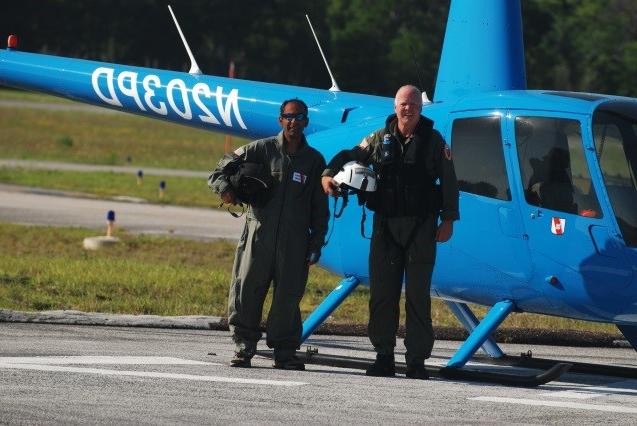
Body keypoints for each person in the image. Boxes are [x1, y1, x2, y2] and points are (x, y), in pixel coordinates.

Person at [321, 85, 459, 379]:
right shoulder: (379, 138)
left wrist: (448, 219)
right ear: (395, 107)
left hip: (421, 226)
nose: (407, 109)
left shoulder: (434, 141)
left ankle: (416, 361)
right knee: (383, 294)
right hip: (385, 225)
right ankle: (383, 356)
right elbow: (352, 153)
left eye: (412, 104)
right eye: (402, 104)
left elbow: (449, 180)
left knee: (418, 296)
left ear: (420, 108)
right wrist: (328, 173)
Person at [209, 99, 329, 370]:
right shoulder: (260, 149)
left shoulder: (313, 161)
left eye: (299, 117)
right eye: (288, 117)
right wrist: (226, 190)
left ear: (306, 121)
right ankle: (243, 347)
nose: (293, 122)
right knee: (247, 290)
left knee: (288, 298)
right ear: (280, 120)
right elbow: (220, 170)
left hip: (295, 243)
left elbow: (319, 209)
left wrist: (316, 243)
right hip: (258, 237)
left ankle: (285, 353)